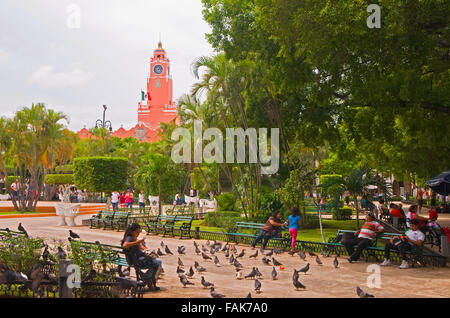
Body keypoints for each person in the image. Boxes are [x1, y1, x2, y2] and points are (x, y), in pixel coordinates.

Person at [121, 223, 162, 290]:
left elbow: (141, 246)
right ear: (132, 231)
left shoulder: (132, 238)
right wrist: (138, 242)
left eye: (139, 232)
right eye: (137, 232)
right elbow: (125, 245)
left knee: (156, 261)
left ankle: (147, 278)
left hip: (135, 260)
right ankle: (147, 278)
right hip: (138, 262)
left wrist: (150, 252)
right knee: (158, 262)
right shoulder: (129, 238)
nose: (138, 233)